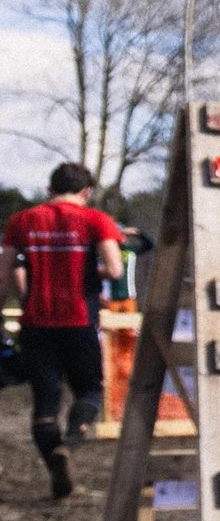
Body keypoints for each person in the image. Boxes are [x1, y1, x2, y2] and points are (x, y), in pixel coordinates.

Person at [3, 163, 125, 499]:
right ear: (87, 191)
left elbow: (4, 273)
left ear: (50, 189)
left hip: (36, 324)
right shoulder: (96, 219)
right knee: (89, 391)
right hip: (79, 322)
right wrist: (89, 270)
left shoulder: (21, 221)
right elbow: (115, 270)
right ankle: (68, 446)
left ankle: (55, 464)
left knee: (45, 401)